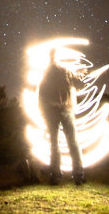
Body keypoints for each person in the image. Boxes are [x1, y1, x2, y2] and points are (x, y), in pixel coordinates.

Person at [37, 48, 87, 185]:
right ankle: (78, 174)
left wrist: (42, 110)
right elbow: (79, 84)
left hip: (52, 111)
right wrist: (81, 76)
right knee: (73, 142)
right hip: (66, 109)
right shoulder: (66, 70)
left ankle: (56, 175)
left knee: (55, 143)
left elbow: (41, 93)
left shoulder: (46, 73)